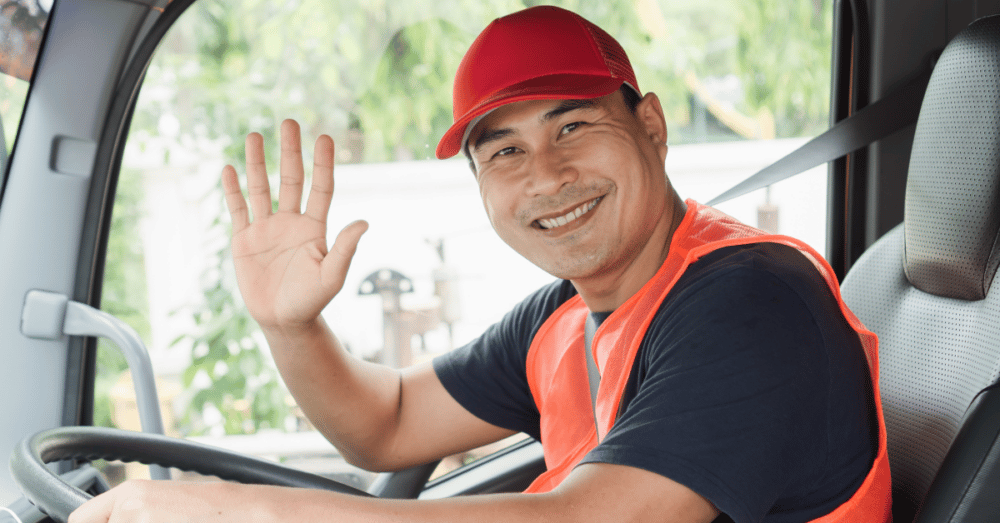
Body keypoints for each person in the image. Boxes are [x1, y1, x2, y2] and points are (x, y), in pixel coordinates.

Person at [69, 6, 891, 523]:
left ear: (651, 125)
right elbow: (387, 422)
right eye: (505, 152)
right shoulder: (565, 314)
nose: (547, 176)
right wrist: (292, 326)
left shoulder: (754, 302)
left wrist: (231, 511)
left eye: (573, 127)